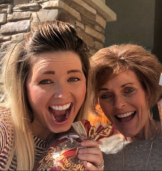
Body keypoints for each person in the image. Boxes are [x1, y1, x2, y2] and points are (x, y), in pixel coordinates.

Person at [0, 20, 104, 170]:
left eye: (73, 79)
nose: (62, 94)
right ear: (23, 87)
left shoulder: (77, 141)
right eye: (46, 81)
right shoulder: (3, 134)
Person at [89, 44, 162, 170]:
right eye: (106, 95)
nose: (118, 104)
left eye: (128, 90)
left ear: (148, 91)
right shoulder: (100, 154)